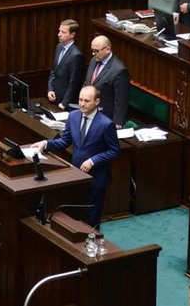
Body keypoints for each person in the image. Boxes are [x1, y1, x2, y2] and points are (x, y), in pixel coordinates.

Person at [34, 85, 120, 226]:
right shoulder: (73, 116)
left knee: (92, 217)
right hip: (76, 175)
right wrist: (46, 144)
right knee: (75, 215)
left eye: (86, 101)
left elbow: (114, 150)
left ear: (97, 102)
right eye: (80, 100)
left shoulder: (106, 124)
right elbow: (64, 141)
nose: (82, 104)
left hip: (96, 177)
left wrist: (93, 161)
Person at [84, 35, 130, 127]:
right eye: (92, 50)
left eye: (96, 51)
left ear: (107, 49)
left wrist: (117, 122)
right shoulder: (93, 60)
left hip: (105, 116)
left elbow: (121, 99)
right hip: (89, 112)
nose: (93, 54)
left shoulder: (119, 70)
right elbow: (88, 83)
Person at [48, 19, 84, 110]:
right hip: (53, 96)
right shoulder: (59, 47)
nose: (59, 34)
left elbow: (74, 82)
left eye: (63, 32)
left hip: (65, 102)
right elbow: (53, 70)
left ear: (72, 35)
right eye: (59, 31)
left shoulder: (76, 55)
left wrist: (65, 103)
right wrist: (50, 89)